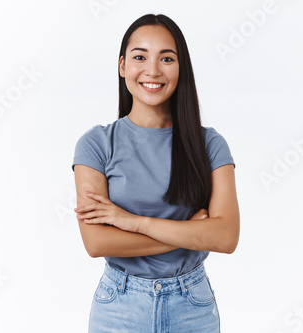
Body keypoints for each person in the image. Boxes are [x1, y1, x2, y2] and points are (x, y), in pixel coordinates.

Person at [71, 13, 239, 333]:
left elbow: (225, 236)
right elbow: (96, 242)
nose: (152, 70)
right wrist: (189, 233)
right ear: (122, 66)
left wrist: (132, 222)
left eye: (166, 58)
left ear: (181, 68)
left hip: (192, 306)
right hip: (119, 306)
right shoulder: (96, 144)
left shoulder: (209, 144)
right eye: (139, 57)